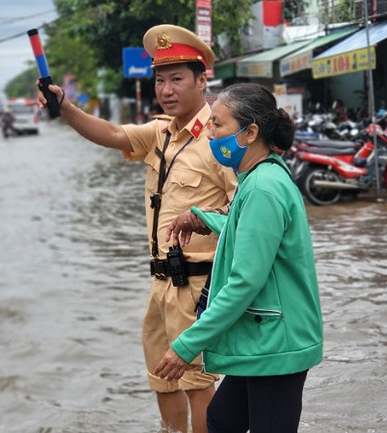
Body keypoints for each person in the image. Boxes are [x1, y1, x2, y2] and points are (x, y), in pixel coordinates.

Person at [36, 24, 237, 433]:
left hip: (199, 286)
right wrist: (66, 108)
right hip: (160, 284)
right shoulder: (159, 133)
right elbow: (111, 133)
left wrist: (204, 217)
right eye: (160, 80)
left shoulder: (218, 139)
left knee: (198, 384)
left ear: (202, 80)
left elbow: (247, 209)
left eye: (177, 79)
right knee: (163, 380)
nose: (166, 89)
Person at [154, 83, 324, 433]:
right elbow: (243, 225)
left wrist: (187, 344)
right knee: (221, 419)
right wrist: (201, 217)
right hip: (265, 337)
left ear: (250, 132)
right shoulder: (258, 176)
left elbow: (245, 282)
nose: (210, 134)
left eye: (218, 125)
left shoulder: (263, 187)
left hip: (276, 345)